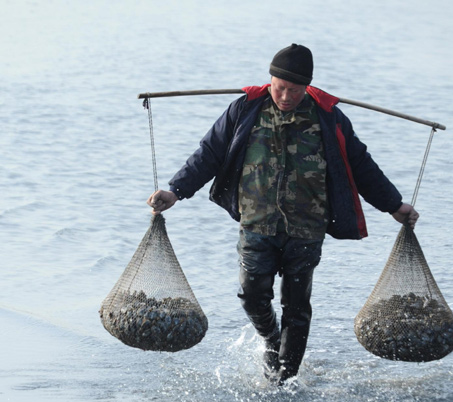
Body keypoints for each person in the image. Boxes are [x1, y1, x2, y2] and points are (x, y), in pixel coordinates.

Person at [147, 44, 419, 384]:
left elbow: (361, 165)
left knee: (297, 306)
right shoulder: (245, 110)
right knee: (252, 294)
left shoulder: (327, 117)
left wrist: (394, 205)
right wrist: (176, 191)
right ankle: (272, 341)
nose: (286, 96)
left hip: (307, 227)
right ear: (270, 80)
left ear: (307, 87)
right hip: (256, 221)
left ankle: (285, 378)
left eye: (294, 90)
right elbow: (209, 153)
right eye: (279, 88)